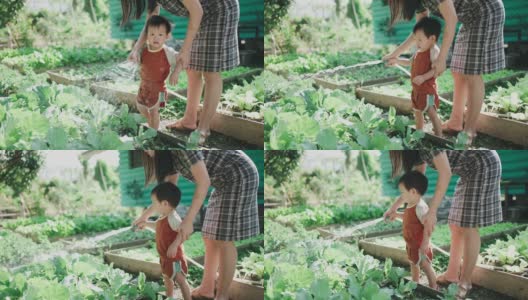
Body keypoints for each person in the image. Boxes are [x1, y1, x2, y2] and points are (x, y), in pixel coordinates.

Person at [134, 150, 259, 300]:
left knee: (223, 239)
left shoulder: (181, 149)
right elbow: (166, 196)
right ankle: (207, 288)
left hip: (239, 174)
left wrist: (188, 220)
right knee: (209, 236)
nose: (147, 150)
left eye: (149, 149)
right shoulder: (167, 157)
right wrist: (144, 216)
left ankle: (222, 296)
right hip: (221, 183)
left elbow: (204, 181)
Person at [383, 0, 506, 145]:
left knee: (472, 73)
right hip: (468, 19)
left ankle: (469, 131)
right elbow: (419, 31)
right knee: (457, 72)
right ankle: (455, 122)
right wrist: (395, 54)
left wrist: (441, 58)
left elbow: (451, 19)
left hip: (485, 11)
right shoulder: (419, 3)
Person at [385, 150, 502, 299]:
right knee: (455, 224)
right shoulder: (415, 153)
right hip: (467, 172)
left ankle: (465, 282)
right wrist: (395, 207)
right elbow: (416, 183)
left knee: (468, 226)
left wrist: (432, 211)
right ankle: (452, 274)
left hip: (482, 165)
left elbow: (445, 174)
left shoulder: (421, 143)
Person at [121, 0, 241, 145]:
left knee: (211, 72)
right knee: (192, 68)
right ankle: (189, 120)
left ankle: (203, 129)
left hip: (220, 10)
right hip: (200, 14)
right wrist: (136, 49)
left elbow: (197, 11)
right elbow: (150, 24)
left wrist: (185, 49)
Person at [387, 17, 442, 137]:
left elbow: (435, 70)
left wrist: (423, 77)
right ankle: (419, 133)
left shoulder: (433, 51)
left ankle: (439, 135)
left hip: (428, 90)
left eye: (420, 40)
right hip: (417, 90)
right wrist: (396, 61)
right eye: (416, 40)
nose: (417, 43)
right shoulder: (419, 51)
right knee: (417, 112)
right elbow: (409, 62)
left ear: (432, 39)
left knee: (431, 113)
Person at [137, 182, 191, 300]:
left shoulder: (173, 217)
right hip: (165, 258)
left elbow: (184, 233)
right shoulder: (163, 216)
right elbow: (158, 226)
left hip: (174, 258)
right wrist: (146, 224)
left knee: (181, 281)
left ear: (165, 203)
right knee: (167, 278)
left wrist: (175, 244)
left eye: (154, 203)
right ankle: (169, 297)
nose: (152, 206)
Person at [386, 171, 437, 289]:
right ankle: (415, 282)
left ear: (413, 191)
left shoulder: (420, 207)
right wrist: (397, 215)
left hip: (420, 245)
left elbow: (428, 226)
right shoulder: (410, 204)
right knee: (413, 264)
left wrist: (425, 243)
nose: (401, 196)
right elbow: (409, 218)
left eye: (403, 193)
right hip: (412, 244)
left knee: (426, 266)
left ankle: (434, 287)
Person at [136, 15, 181, 130]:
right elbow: (138, 61)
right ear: (146, 36)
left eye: (160, 35)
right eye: (152, 34)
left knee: (154, 111)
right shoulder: (143, 50)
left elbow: (181, 59)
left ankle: (153, 133)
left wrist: (176, 72)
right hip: (144, 86)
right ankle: (151, 121)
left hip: (159, 89)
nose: (156, 38)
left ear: (167, 36)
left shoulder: (168, 52)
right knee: (140, 107)